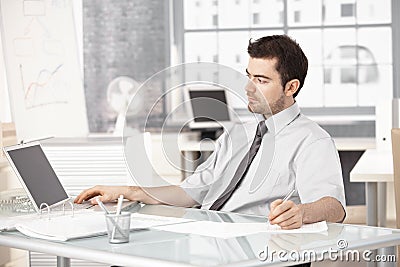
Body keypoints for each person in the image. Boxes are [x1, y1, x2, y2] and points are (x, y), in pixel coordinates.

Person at [75, 35, 346, 231]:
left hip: (255, 244)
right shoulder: (239, 133)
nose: (249, 88)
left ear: (291, 87)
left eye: (261, 81)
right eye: (249, 76)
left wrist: (301, 213)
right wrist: (128, 192)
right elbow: (193, 192)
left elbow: (334, 208)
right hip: (209, 234)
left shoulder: (312, 141)